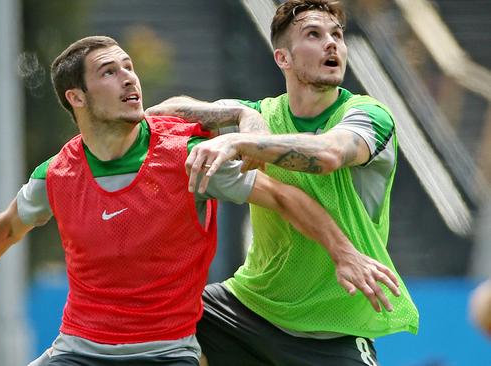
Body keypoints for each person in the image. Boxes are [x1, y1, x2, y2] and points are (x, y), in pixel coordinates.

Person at [0, 35, 400, 366]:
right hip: (78, 350)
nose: (130, 78)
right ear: (76, 98)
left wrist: (342, 251)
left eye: (130, 67)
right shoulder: (59, 173)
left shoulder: (188, 156)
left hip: (167, 353)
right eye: (109, 72)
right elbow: (5, 228)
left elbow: (284, 196)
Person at [146, 1, 420, 364]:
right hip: (248, 310)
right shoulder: (261, 115)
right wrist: (240, 113)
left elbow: (327, 156)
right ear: (283, 58)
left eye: (337, 35)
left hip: (333, 331)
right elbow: (165, 111)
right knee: (155, 326)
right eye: (314, 35)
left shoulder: (369, 115)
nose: (332, 44)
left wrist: (241, 140)